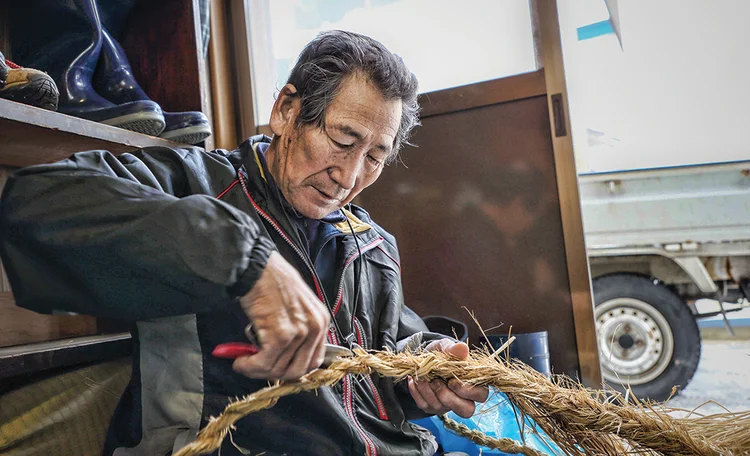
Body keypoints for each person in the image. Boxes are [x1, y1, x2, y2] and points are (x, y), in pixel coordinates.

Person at [0, 30, 488, 455]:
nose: (349, 176)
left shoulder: (372, 245)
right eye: (342, 140)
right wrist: (248, 260)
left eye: (375, 157)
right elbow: (35, 199)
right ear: (286, 112)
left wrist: (424, 366)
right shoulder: (198, 181)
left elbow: (383, 359)